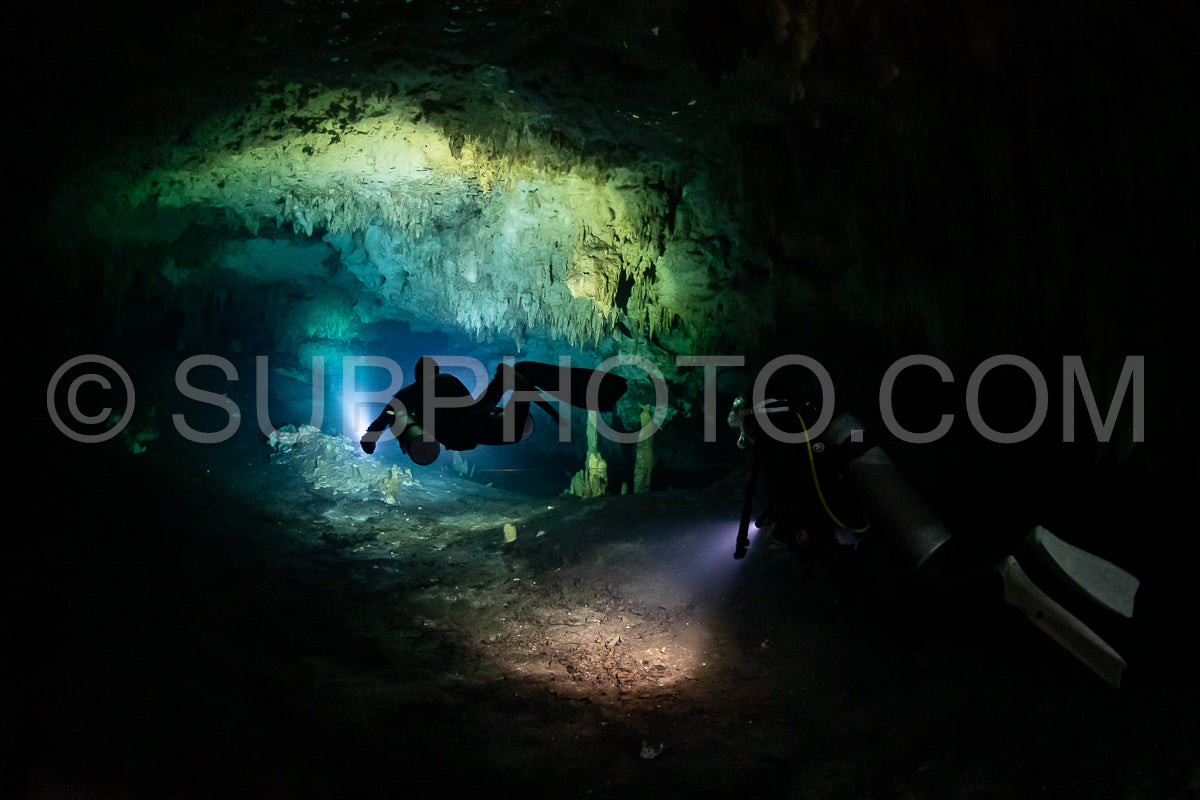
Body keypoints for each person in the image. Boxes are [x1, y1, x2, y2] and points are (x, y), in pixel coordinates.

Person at [361, 357, 627, 465]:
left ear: (418, 375)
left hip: (463, 433)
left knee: (512, 428)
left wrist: (371, 438)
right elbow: (477, 405)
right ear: (436, 371)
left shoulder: (412, 391)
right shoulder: (448, 381)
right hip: (476, 423)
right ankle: (601, 393)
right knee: (515, 394)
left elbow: (390, 413)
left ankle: (518, 380)